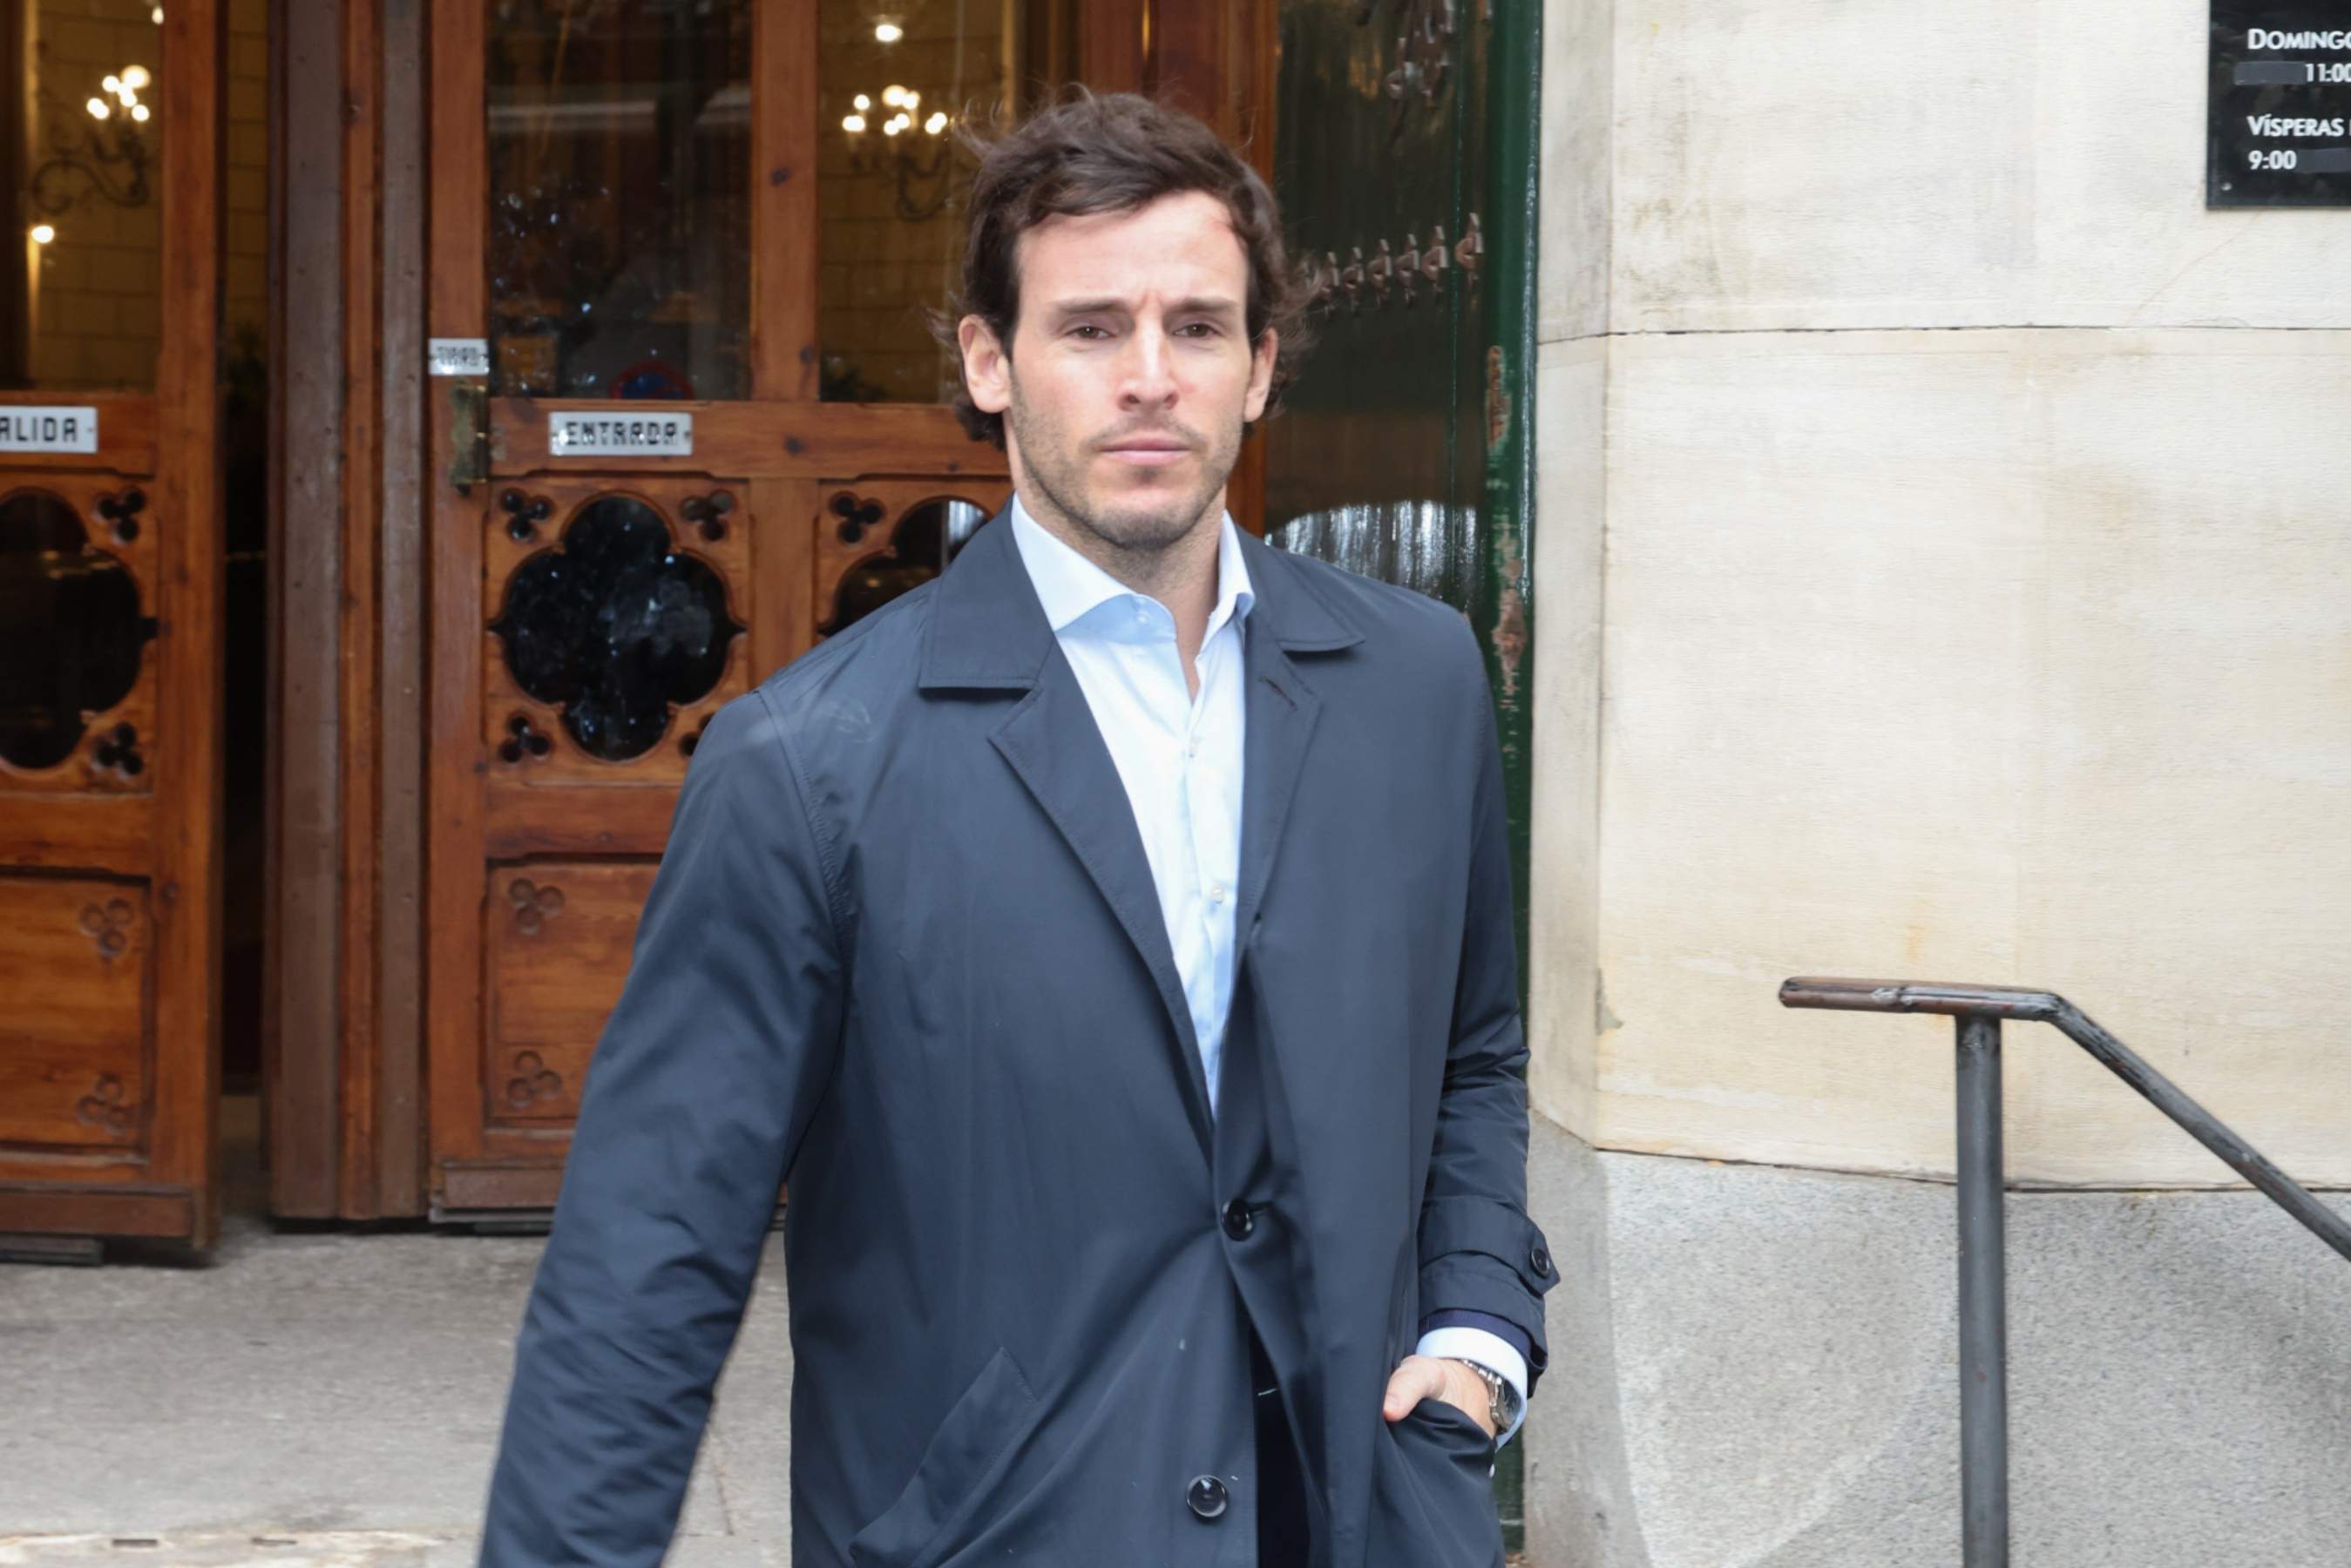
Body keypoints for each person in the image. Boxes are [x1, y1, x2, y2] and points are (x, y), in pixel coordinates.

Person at [479, 91, 1555, 1568]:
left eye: (1196, 327)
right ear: (990, 362)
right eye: (1090, 328)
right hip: (998, 1533)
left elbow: (1471, 1052)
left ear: (1259, 367)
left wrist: (1480, 1328)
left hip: (1357, 1514)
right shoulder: (808, 764)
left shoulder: (1415, 682)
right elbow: (647, 1254)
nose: (1148, 378)